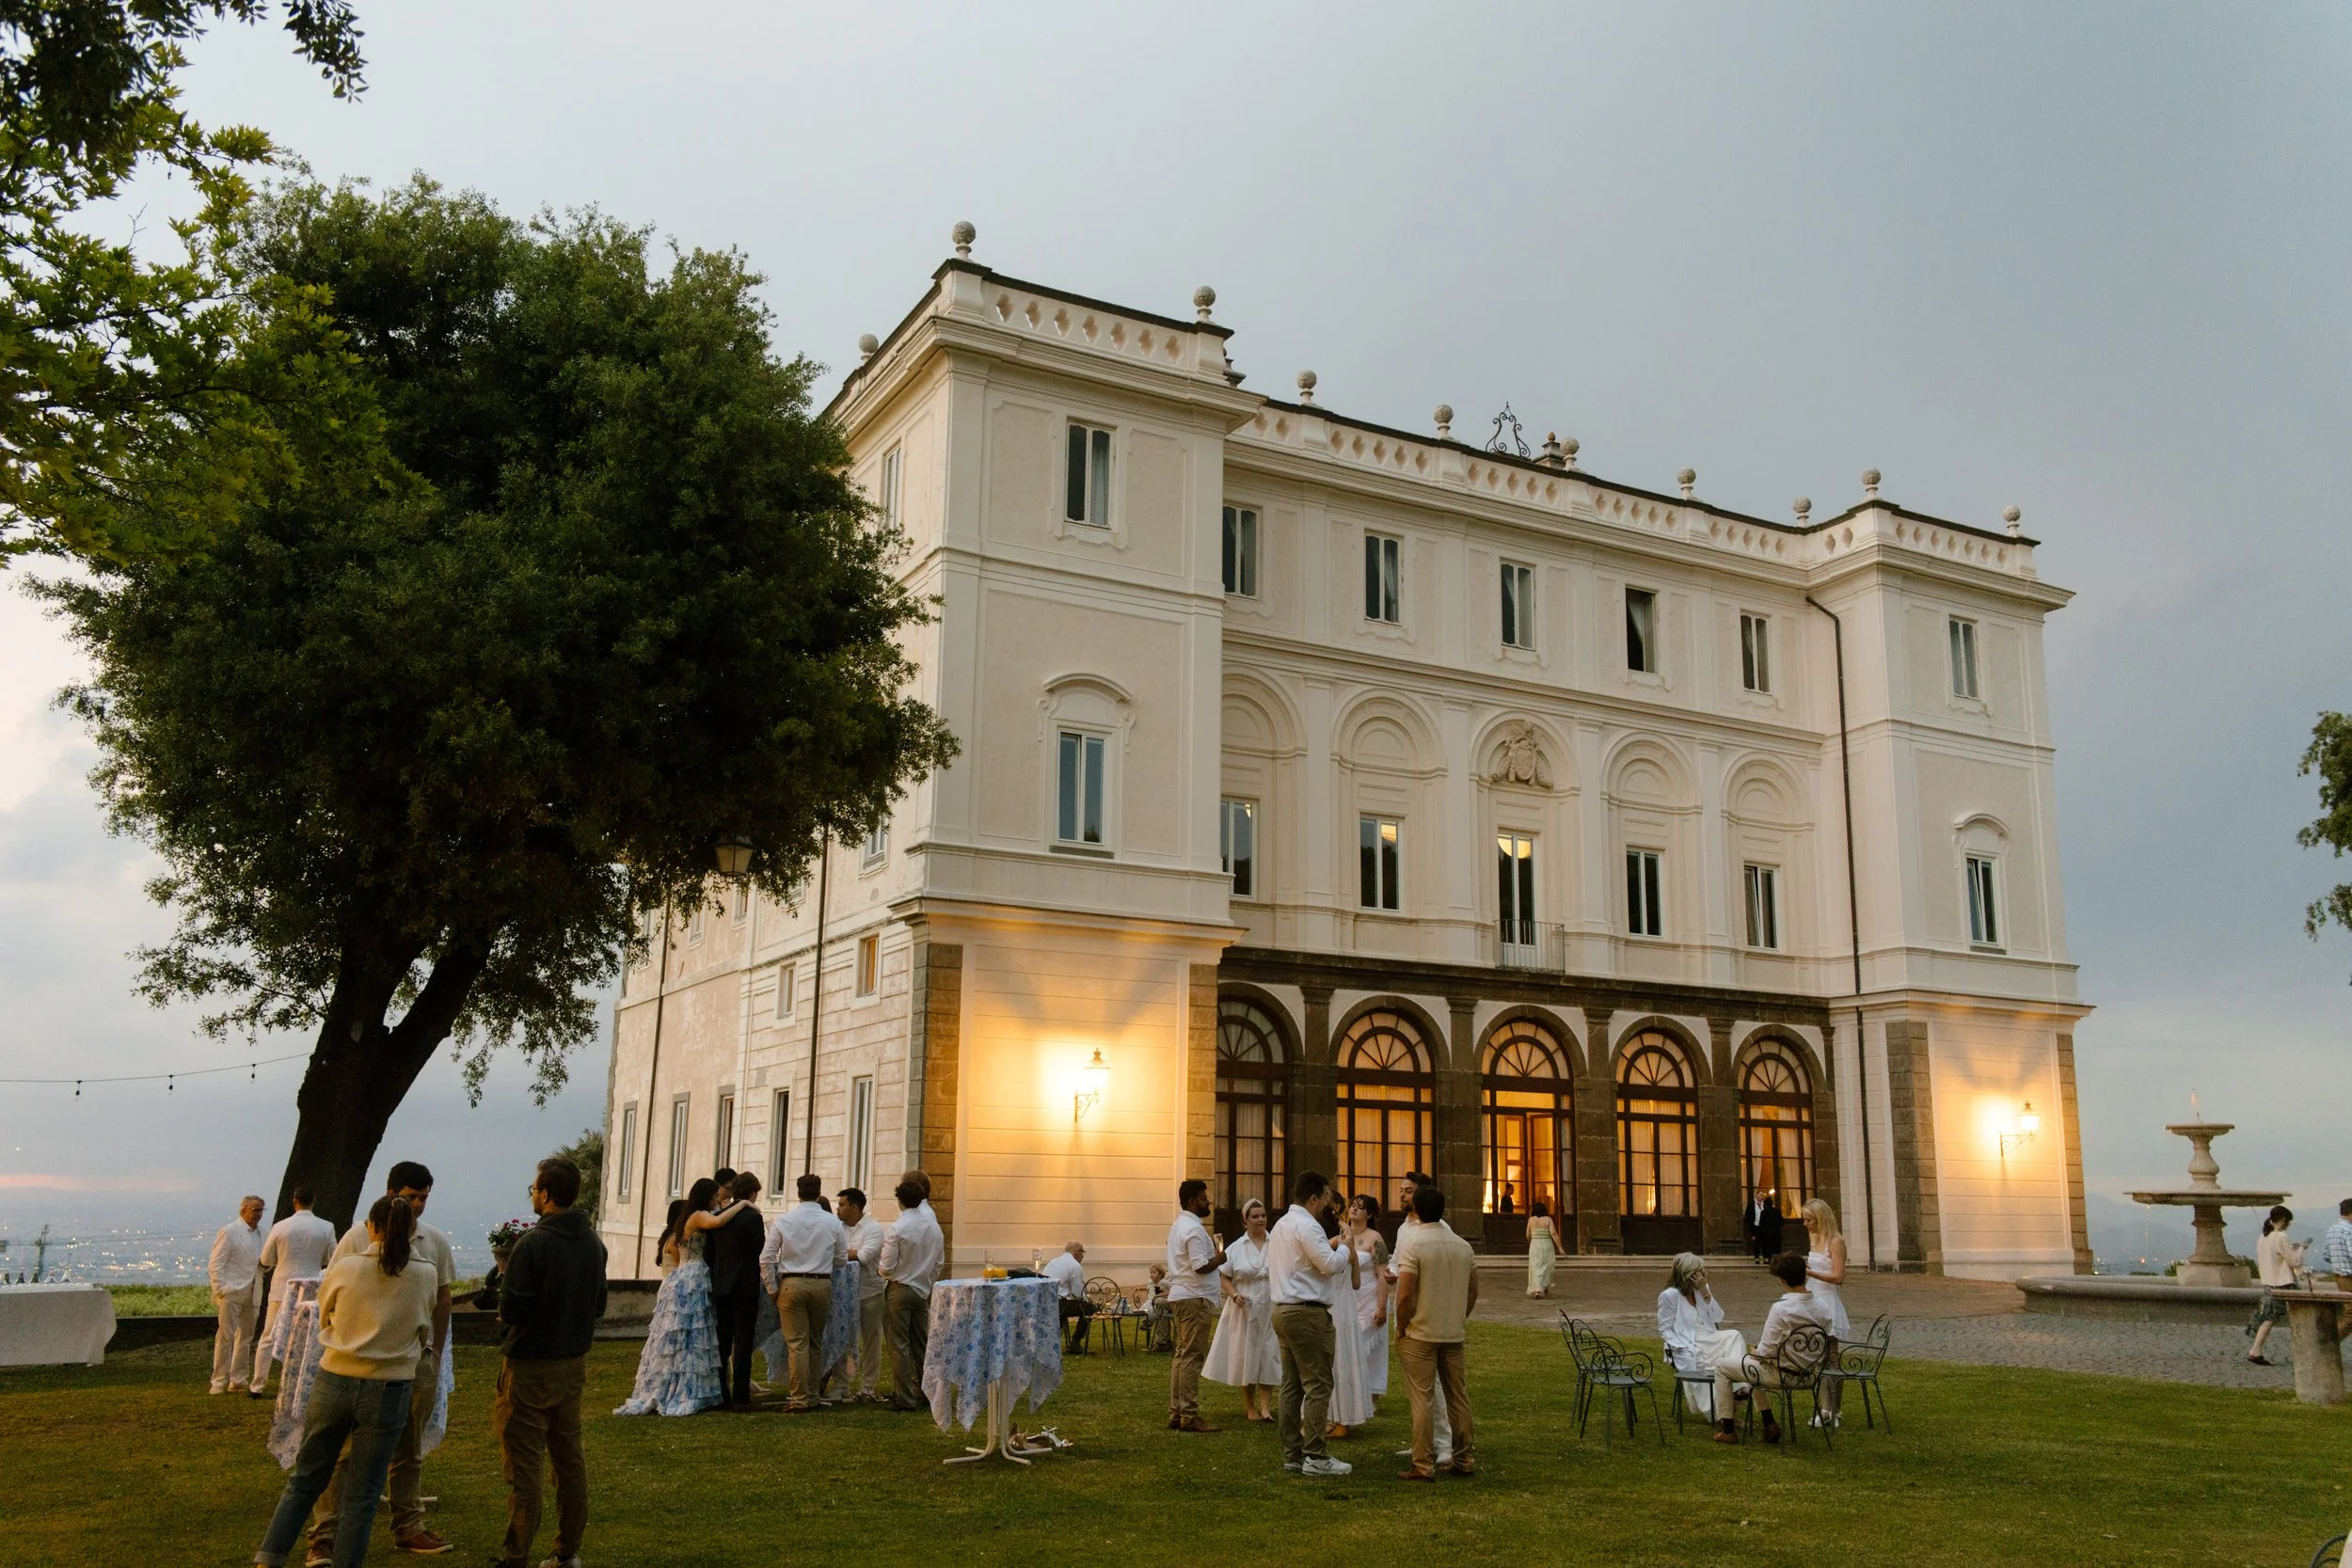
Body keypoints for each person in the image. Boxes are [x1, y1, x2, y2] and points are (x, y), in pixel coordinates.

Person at [251, 1194, 438, 1568]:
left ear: (371, 1227)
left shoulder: (348, 1267)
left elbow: (326, 1315)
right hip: (389, 1387)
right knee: (364, 1493)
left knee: (306, 1478)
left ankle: (269, 1557)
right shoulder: (425, 1274)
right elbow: (423, 1331)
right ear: (412, 1231)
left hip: (336, 1377)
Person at [308, 1162, 458, 1560]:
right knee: (343, 1451)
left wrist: (436, 1351)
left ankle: (408, 1525)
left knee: (409, 1448)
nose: (419, 1206)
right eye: (411, 1198)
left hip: (414, 1361)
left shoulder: (434, 1241)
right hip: (359, 1364)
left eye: (424, 1198)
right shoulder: (358, 1237)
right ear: (391, 1194)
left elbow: (442, 1297)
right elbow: (332, 1294)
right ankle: (325, 1533)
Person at [492, 1155, 605, 1568]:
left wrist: (507, 1321)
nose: (533, 1196)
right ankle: (567, 1550)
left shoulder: (533, 1244)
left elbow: (515, 1309)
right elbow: (599, 1304)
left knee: (524, 1466)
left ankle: (515, 1553)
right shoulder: (593, 1243)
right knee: (569, 1459)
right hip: (572, 1364)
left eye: (534, 1189)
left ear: (545, 1194)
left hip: (530, 1367)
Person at [615, 1178, 750, 1416]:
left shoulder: (688, 1216)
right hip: (694, 1275)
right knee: (694, 1332)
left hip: (686, 1274)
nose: (718, 1199)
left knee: (686, 1333)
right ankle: (688, 1390)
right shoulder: (698, 1215)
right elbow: (718, 1221)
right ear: (708, 1195)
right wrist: (742, 1204)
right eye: (715, 1195)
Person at [1267, 1169, 1356, 1478]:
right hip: (1307, 1312)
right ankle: (1316, 1455)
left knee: (1291, 1385)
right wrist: (1345, 1245)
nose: (1327, 1205)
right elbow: (1329, 1266)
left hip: (1283, 1309)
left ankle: (1293, 1454)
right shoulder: (1307, 1225)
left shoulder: (1280, 1225)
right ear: (1314, 1198)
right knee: (1318, 1384)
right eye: (1326, 1198)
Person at [1392, 1183, 1478, 1481]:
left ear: (1416, 1210)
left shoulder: (1414, 1244)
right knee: (1458, 1397)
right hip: (1452, 1332)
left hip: (1420, 1332)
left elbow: (1404, 1294)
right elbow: (1472, 1290)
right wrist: (1458, 1316)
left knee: (1422, 1398)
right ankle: (1464, 1457)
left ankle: (1423, 1463)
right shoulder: (1463, 1246)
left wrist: (1402, 1326)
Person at [761, 1172, 849, 1411]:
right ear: (819, 1192)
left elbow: (766, 1258)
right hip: (822, 1283)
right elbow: (841, 1259)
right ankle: (812, 1395)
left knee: (797, 1344)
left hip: (792, 1282)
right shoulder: (832, 1222)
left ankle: (799, 1398)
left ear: (798, 1192)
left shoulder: (784, 1220)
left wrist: (771, 1288)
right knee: (815, 1342)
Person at [1389, 1173, 1454, 1468]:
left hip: (1426, 1312)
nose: (1403, 1195)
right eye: (1401, 1190)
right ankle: (1422, 1441)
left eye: (1409, 1191)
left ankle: (1445, 1442)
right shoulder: (1404, 1228)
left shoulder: (1438, 1228)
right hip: (1404, 1310)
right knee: (1415, 1383)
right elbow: (1398, 1264)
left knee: (1435, 1383)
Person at [253, 1186, 338, 1398]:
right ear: (313, 1201)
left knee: (268, 1335)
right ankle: (305, 1383)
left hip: (283, 1286)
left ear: (295, 1202)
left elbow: (266, 1259)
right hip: (311, 1287)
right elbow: (333, 1258)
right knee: (308, 1337)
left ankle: (257, 1384)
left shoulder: (281, 1227)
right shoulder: (326, 1227)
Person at [1657, 1252, 1749, 1443]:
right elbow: (1665, 1329)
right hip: (1688, 1342)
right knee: (1700, 1360)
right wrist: (1681, 1347)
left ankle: (1740, 1387)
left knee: (1734, 1335)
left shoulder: (1700, 1291)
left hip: (1709, 1337)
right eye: (1699, 1273)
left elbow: (1717, 1317)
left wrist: (1706, 1293)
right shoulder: (1670, 1296)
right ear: (1688, 1274)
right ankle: (1724, 1415)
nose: (1703, 1277)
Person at [1204, 1198, 1280, 1420]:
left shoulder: (1275, 1243)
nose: (1260, 1220)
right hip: (1245, 1307)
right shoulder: (1236, 1248)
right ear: (1245, 1220)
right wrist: (1235, 1294)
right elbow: (1225, 1277)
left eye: (1263, 1216)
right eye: (1255, 1217)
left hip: (1271, 1304)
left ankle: (1266, 1407)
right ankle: (1250, 1407)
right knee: (1247, 1354)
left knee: (1270, 1354)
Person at [1748, 1251, 1831, 1445]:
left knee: (1733, 1366)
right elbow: (1824, 1340)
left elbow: (1766, 1350)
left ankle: (1730, 1425)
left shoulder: (1781, 1308)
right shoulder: (1822, 1306)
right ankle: (1761, 1417)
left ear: (1782, 1280)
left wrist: (1755, 1352)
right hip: (1810, 1375)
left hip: (1783, 1374)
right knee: (1752, 1366)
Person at [879, 1170, 945, 1412]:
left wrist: (884, 1272)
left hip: (900, 1287)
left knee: (899, 1344)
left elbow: (886, 1266)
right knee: (922, 1344)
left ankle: (904, 1396)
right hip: (922, 1289)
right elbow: (939, 1262)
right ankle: (929, 1392)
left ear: (900, 1200)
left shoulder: (898, 1228)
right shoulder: (933, 1226)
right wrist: (926, 1279)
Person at [1166, 1179, 1228, 1432]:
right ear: (1192, 1201)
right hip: (1194, 1296)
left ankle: (1176, 1412)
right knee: (1192, 1356)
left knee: (1182, 1355)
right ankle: (1189, 1415)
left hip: (1183, 1294)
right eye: (1203, 1199)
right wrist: (1220, 1259)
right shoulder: (1191, 1229)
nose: (1207, 1203)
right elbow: (1199, 1265)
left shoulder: (1179, 1225)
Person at [704, 1170, 767, 1410]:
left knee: (722, 1340)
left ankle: (721, 1393)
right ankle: (741, 1396)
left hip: (722, 1283)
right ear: (752, 1193)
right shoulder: (752, 1217)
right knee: (743, 1341)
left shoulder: (719, 1216)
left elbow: (711, 1253)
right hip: (745, 1285)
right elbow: (759, 1247)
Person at [1327, 1192, 1385, 1437]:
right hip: (1347, 1300)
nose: (1354, 1210)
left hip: (1370, 1297)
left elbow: (1382, 1273)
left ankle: (1360, 1402)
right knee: (1346, 1355)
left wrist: (1381, 1306)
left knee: (1360, 1353)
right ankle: (1344, 1407)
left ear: (1369, 1214)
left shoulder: (1375, 1238)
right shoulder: (1341, 1236)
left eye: (1360, 1208)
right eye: (1352, 1206)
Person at [207, 1194, 266, 1395]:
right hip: (232, 1290)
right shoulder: (230, 1232)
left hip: (254, 1289)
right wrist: (221, 1288)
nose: (258, 1214)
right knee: (225, 1335)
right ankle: (219, 1380)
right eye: (255, 1210)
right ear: (244, 1210)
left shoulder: (264, 1233)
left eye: (261, 1210)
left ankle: (238, 1378)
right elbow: (216, 1263)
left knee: (246, 1336)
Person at [835, 1187, 890, 1397]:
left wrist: (839, 1254)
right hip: (843, 1293)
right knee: (840, 1339)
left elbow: (865, 1256)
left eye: (842, 1205)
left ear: (854, 1207)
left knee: (871, 1339)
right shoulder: (837, 1227)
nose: (838, 1209)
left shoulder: (873, 1229)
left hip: (869, 1291)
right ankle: (841, 1384)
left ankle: (868, 1386)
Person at [1800, 1197, 1850, 1427]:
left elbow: (1838, 1277)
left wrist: (1811, 1273)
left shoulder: (1835, 1241)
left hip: (1828, 1300)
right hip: (1813, 1299)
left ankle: (1833, 1409)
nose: (1806, 1224)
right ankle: (1826, 1409)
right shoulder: (1815, 1240)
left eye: (1809, 1220)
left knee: (1831, 1358)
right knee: (1818, 1358)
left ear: (1820, 1219)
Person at [2249, 1204, 2303, 1366]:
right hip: (2282, 1282)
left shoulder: (2264, 1236)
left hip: (2268, 1281)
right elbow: (2293, 1262)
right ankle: (2255, 1350)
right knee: (2274, 1317)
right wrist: (2300, 1249)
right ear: (2284, 1220)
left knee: (2269, 1316)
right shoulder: (2281, 1237)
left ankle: (2255, 1350)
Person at [1041, 1241, 1094, 1354]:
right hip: (1060, 1303)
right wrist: (1088, 1300)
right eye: (1082, 1252)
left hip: (1046, 1301)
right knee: (1089, 1308)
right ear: (1076, 1252)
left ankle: (1051, 1343)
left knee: (1064, 1311)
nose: (1082, 1256)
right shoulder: (1075, 1265)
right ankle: (1075, 1342)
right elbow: (1077, 1292)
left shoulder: (1053, 1262)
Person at [1525, 1198, 1561, 1299]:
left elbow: (1527, 1235)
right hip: (1546, 1244)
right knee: (1546, 1266)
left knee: (1536, 1267)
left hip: (1535, 1244)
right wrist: (1560, 1247)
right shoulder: (1548, 1220)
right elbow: (1553, 1233)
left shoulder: (1531, 1220)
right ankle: (1543, 1288)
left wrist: (1531, 1241)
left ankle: (1538, 1289)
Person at [2319, 1198, 2352, 1280]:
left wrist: (2340, 1264)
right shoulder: (2349, 1230)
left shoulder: (2331, 1230)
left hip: (2339, 1278)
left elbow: (2326, 1255)